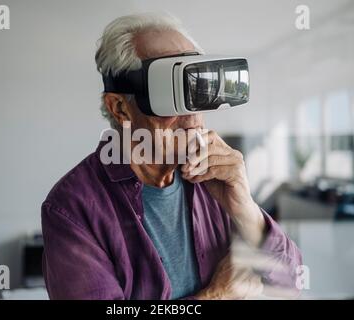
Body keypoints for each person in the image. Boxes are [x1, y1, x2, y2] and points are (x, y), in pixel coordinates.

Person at [41, 13, 302, 300]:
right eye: (169, 92)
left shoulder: (214, 181)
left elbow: (290, 285)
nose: (192, 115)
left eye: (195, 89)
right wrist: (216, 296)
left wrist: (246, 209)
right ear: (120, 108)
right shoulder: (73, 208)